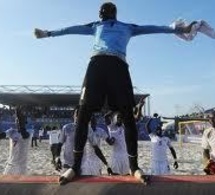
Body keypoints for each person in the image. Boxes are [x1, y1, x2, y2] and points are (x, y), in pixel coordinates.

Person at [34, 2, 196, 184]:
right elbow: (72, 29)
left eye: (104, 11)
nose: (101, 14)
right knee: (83, 113)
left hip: (118, 66)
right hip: (96, 65)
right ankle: (75, 166)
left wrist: (177, 29)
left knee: (128, 115)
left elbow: (151, 28)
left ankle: (134, 167)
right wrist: (48, 33)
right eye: (100, 12)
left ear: (112, 13)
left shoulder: (126, 27)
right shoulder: (96, 26)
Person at [1, 106, 31, 175]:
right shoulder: (11, 131)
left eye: (20, 120)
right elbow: (2, 135)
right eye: (16, 120)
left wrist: (20, 118)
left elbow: (24, 134)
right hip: (11, 165)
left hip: (22, 167)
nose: (17, 121)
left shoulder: (29, 132)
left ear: (25, 122)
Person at [201, 111, 215, 175]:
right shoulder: (207, 132)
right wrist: (207, 165)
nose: (212, 120)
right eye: (210, 118)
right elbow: (205, 151)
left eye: (214, 118)